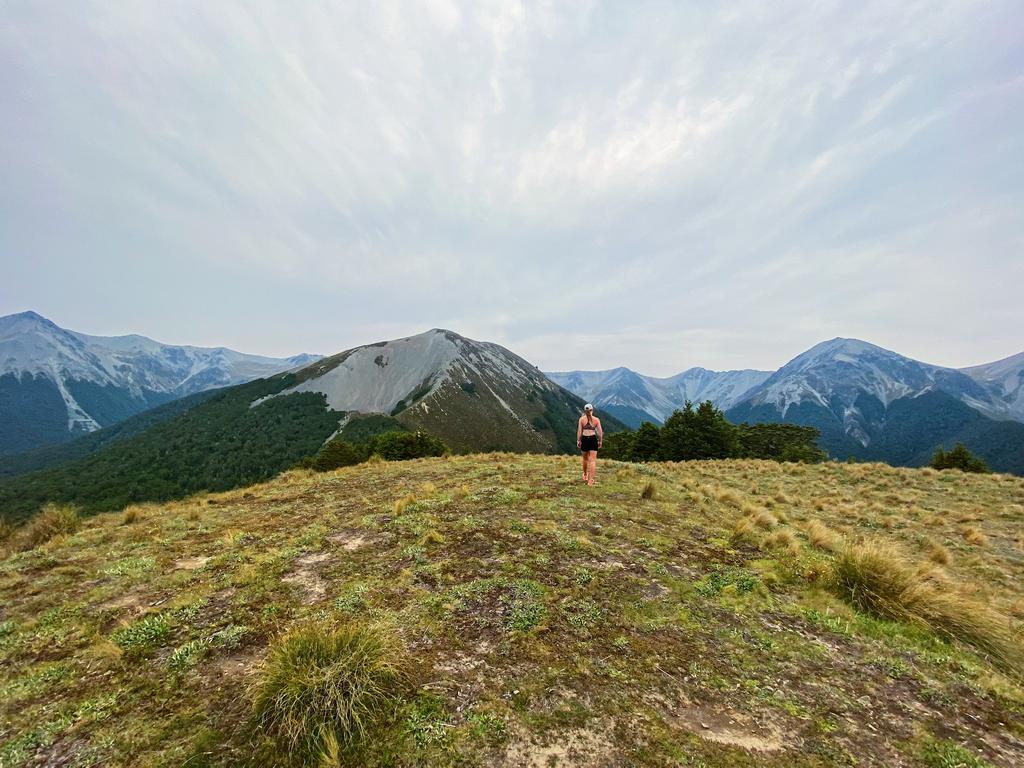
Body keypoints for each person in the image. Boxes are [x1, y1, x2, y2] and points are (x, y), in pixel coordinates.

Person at [576, 403, 603, 486]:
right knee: (592, 461)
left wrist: (578, 440)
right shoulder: (596, 420)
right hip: (593, 439)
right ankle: (590, 481)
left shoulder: (581, 419)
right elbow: (600, 433)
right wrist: (600, 441)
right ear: (592, 410)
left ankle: (585, 474)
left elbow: (579, 431)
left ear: (584, 411)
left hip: (585, 439)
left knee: (585, 459)